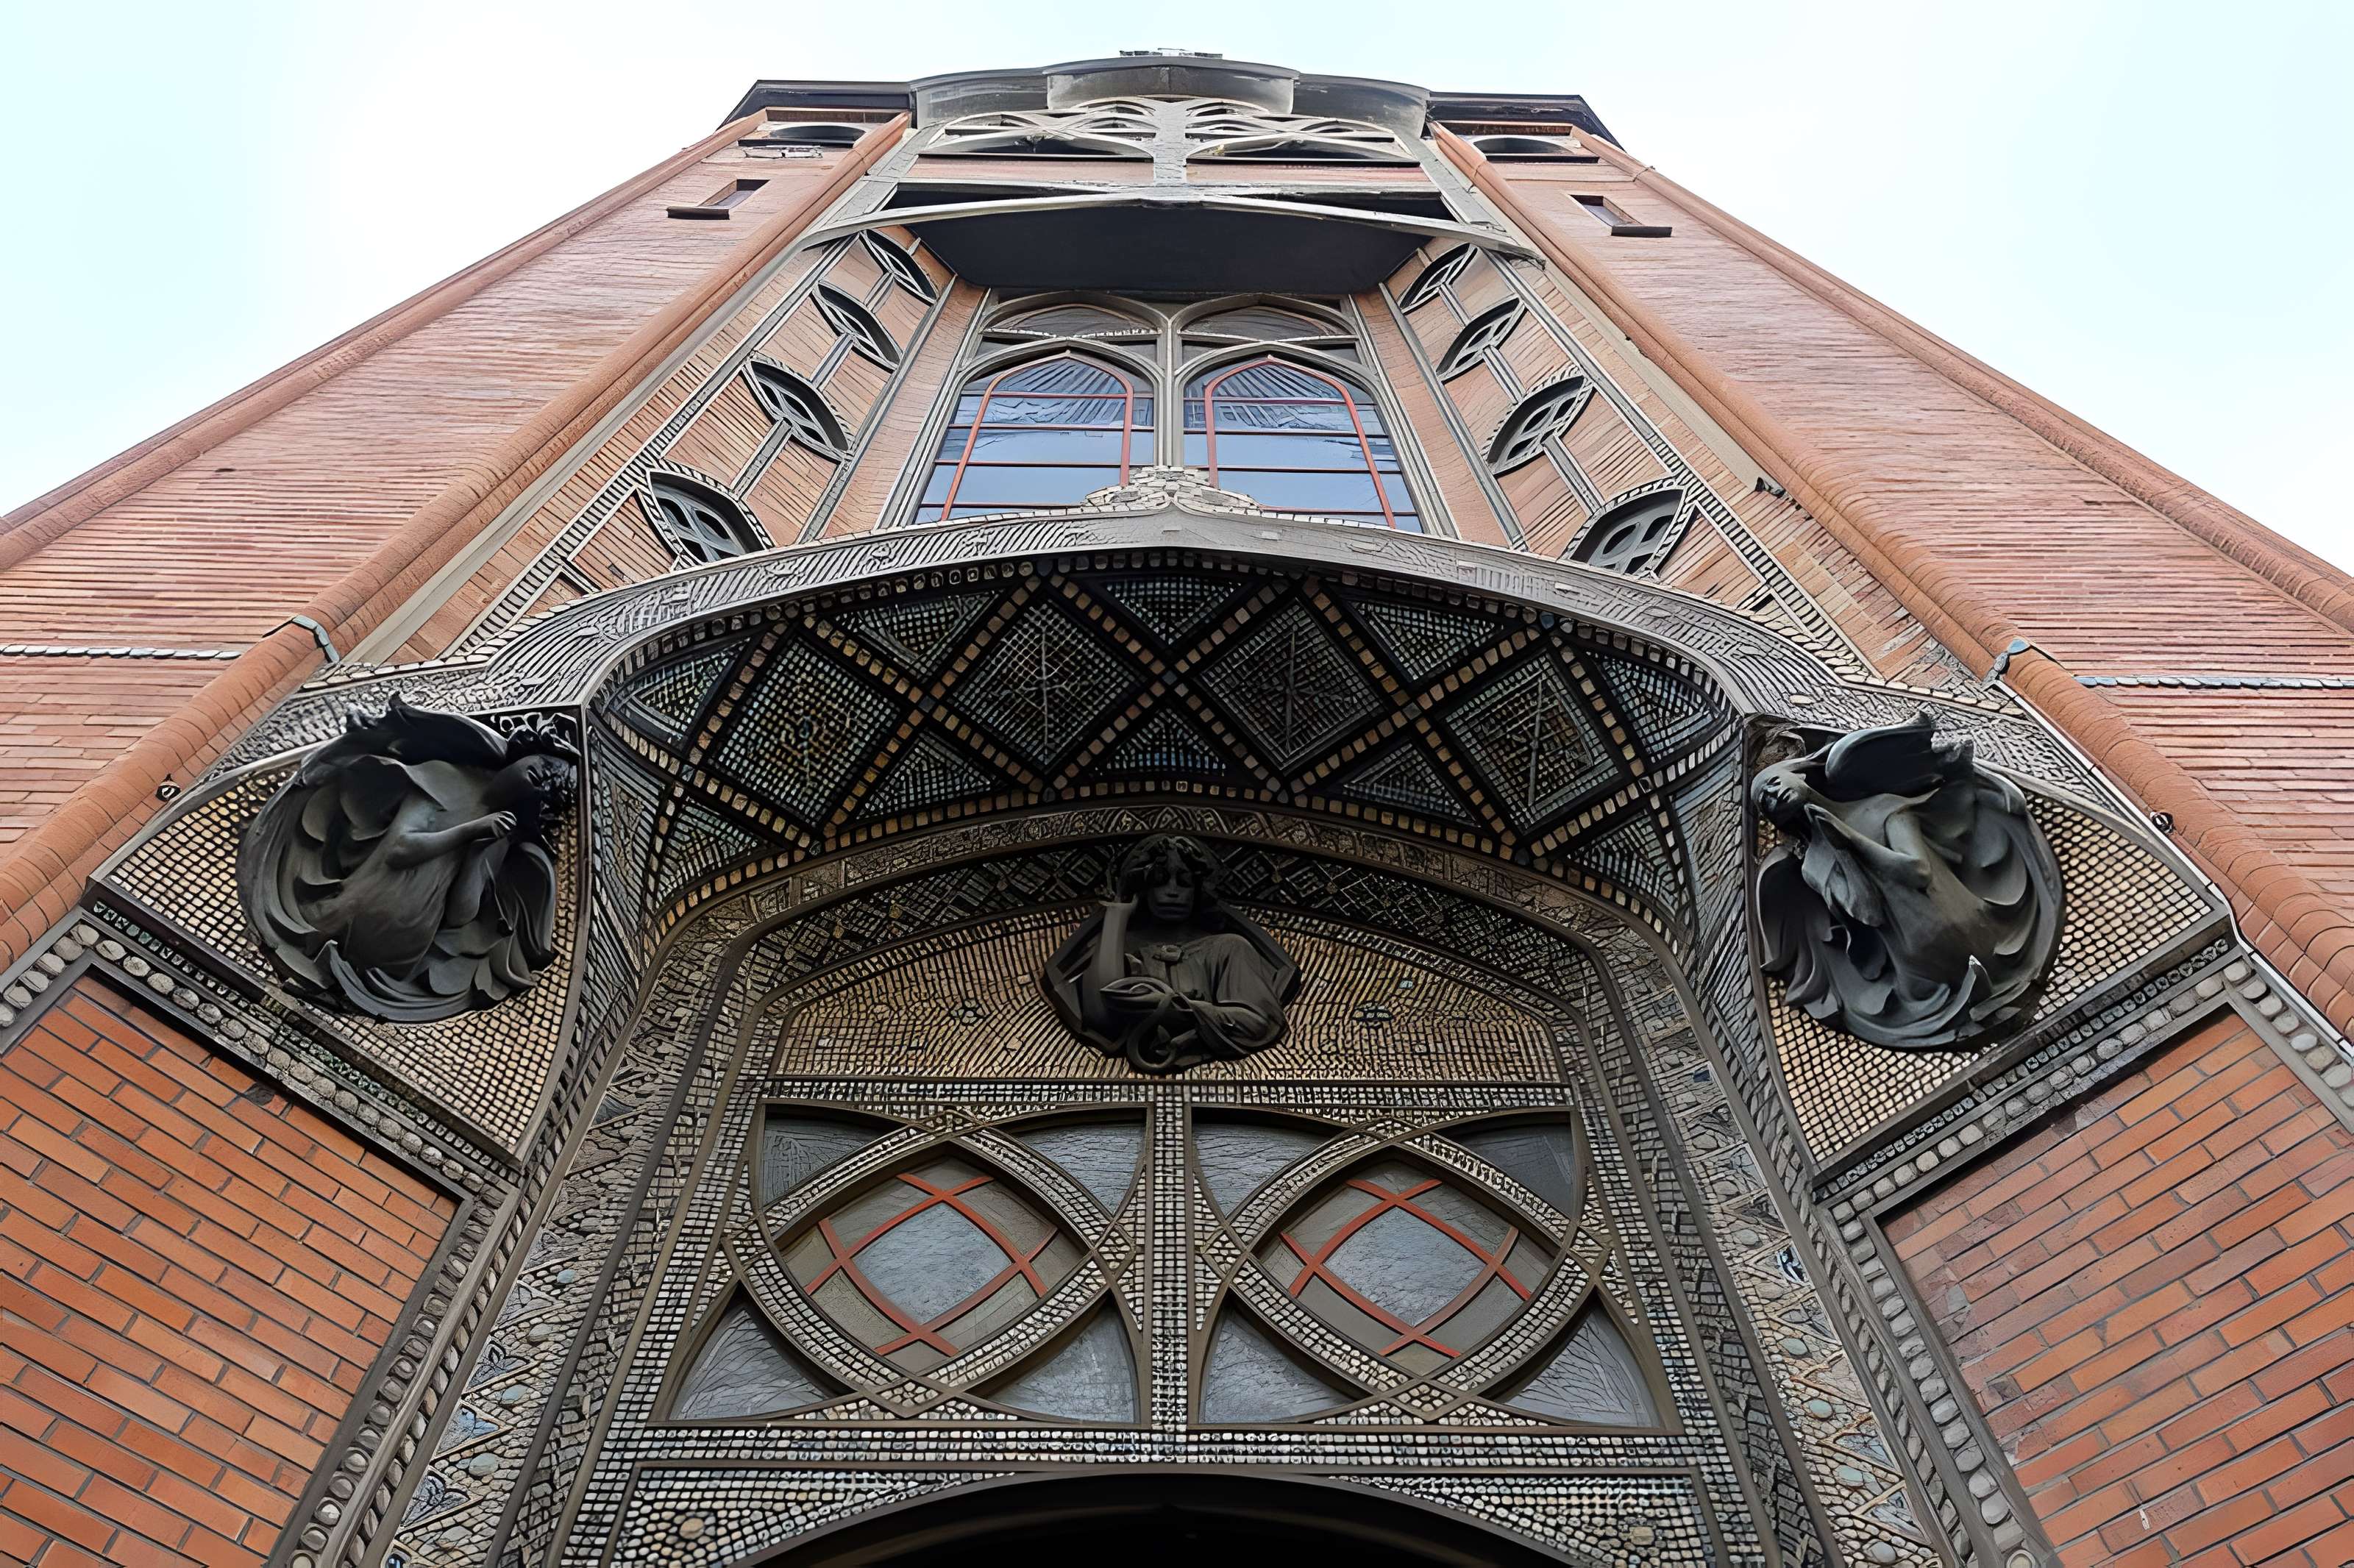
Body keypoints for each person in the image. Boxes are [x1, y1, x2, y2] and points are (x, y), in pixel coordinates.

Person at [1042, 834, 1299, 1072]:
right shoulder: (1119, 948)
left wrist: (1173, 1008)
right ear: (1143, 889)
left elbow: (1259, 1023)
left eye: (1185, 882)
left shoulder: (1229, 947)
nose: (1173, 891)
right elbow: (1102, 1012)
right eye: (1159, 881)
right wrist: (1118, 911)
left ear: (1199, 890)